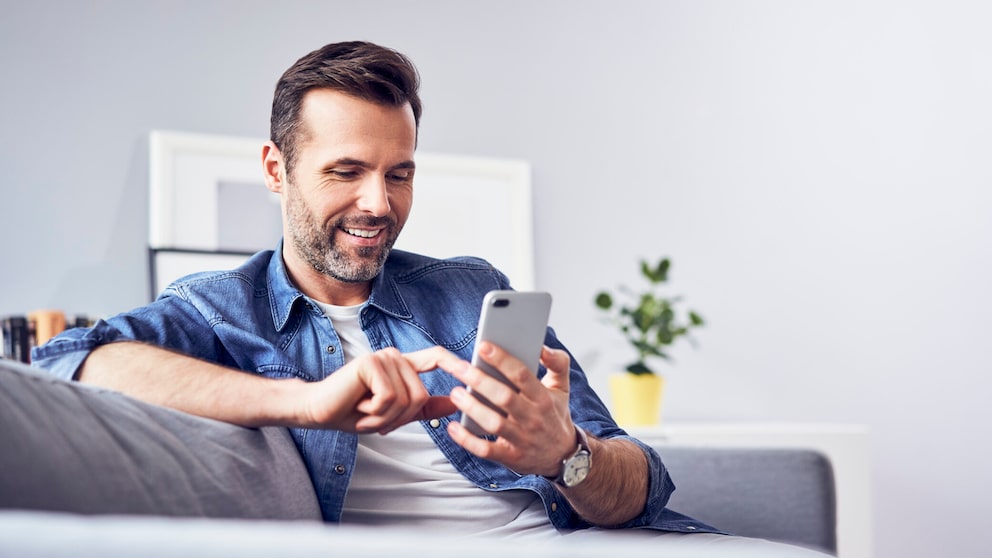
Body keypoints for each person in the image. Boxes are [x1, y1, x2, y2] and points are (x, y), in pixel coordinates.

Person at [32, 41, 826, 554]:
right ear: (276, 171)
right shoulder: (220, 307)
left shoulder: (469, 287)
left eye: (400, 172)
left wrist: (565, 455)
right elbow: (70, 360)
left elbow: (639, 483)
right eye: (346, 171)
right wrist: (308, 403)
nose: (380, 202)